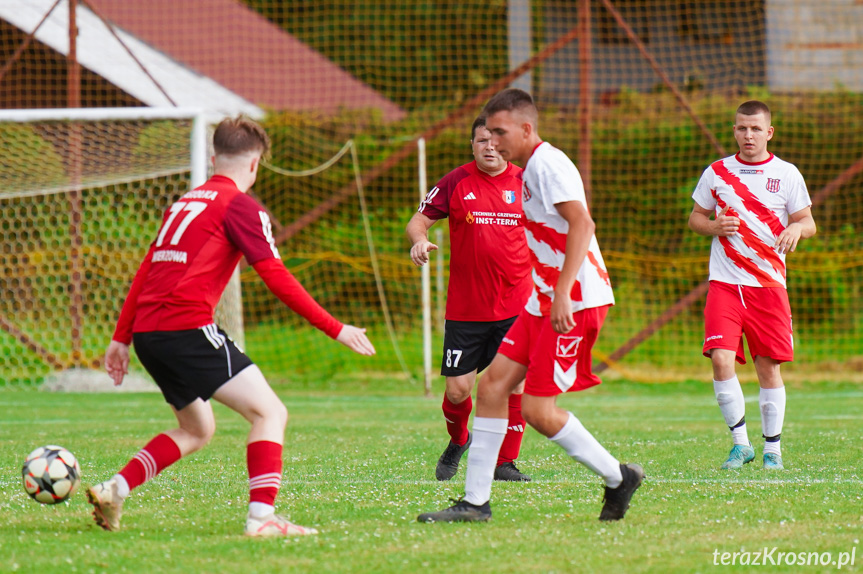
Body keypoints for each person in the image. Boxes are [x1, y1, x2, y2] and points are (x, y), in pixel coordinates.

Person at [89, 116, 376, 537]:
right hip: (185, 327)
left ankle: (115, 488)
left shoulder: (183, 204)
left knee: (197, 429)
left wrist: (121, 337)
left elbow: (146, 269)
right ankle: (261, 520)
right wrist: (335, 328)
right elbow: (275, 275)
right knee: (270, 412)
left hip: (151, 334)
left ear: (212, 159)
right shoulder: (240, 205)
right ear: (256, 164)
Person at [418, 88, 644, 524]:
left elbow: (583, 223)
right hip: (543, 300)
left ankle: (618, 477)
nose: (494, 142)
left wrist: (561, 292)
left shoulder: (547, 164)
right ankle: (475, 503)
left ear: (526, 128)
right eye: (487, 134)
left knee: (540, 412)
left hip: (573, 302)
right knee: (492, 388)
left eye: (500, 132)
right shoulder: (524, 170)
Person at [689, 100, 816, 471]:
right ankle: (740, 445)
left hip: (769, 286)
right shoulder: (716, 173)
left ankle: (773, 449)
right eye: (742, 128)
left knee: (767, 368)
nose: (748, 135)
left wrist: (796, 227)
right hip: (725, 283)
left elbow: (808, 222)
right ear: (734, 131)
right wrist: (714, 226)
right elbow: (696, 217)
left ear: (769, 132)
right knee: (721, 359)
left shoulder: (787, 174)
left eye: (756, 129)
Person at [406, 116, 533, 482]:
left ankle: (504, 463)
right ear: (472, 145)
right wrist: (418, 239)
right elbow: (418, 220)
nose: (489, 147)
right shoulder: (456, 181)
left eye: (495, 141)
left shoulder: (527, 182)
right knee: (459, 389)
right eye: (481, 141)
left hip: (516, 305)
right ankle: (459, 440)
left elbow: (553, 226)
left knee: (515, 384)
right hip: (466, 309)